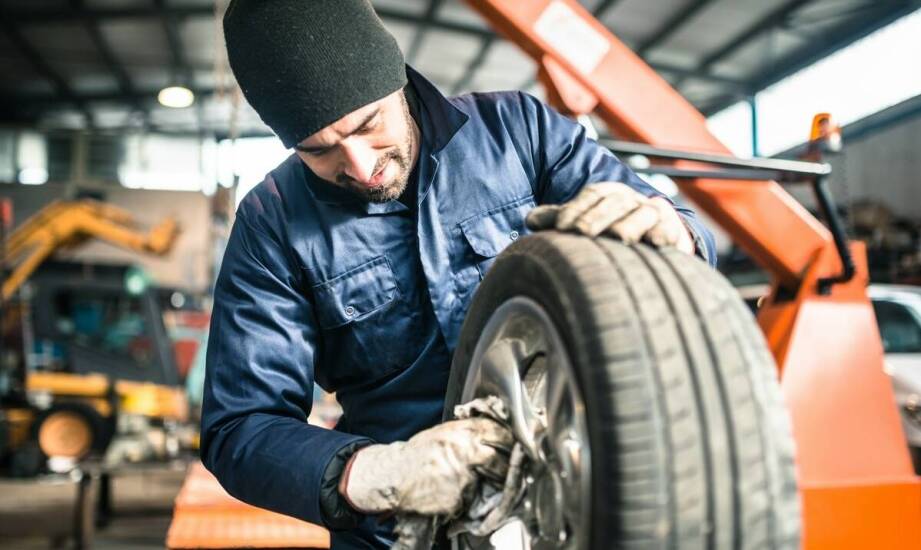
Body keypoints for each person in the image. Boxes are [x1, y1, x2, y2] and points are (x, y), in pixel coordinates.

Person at [202, 1, 716, 548]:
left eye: (368, 125)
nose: (358, 165)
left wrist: (671, 232)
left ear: (394, 77)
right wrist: (376, 475)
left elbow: (675, 238)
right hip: (396, 531)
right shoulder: (272, 223)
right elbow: (239, 428)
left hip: (574, 501)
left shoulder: (518, 132)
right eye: (319, 150)